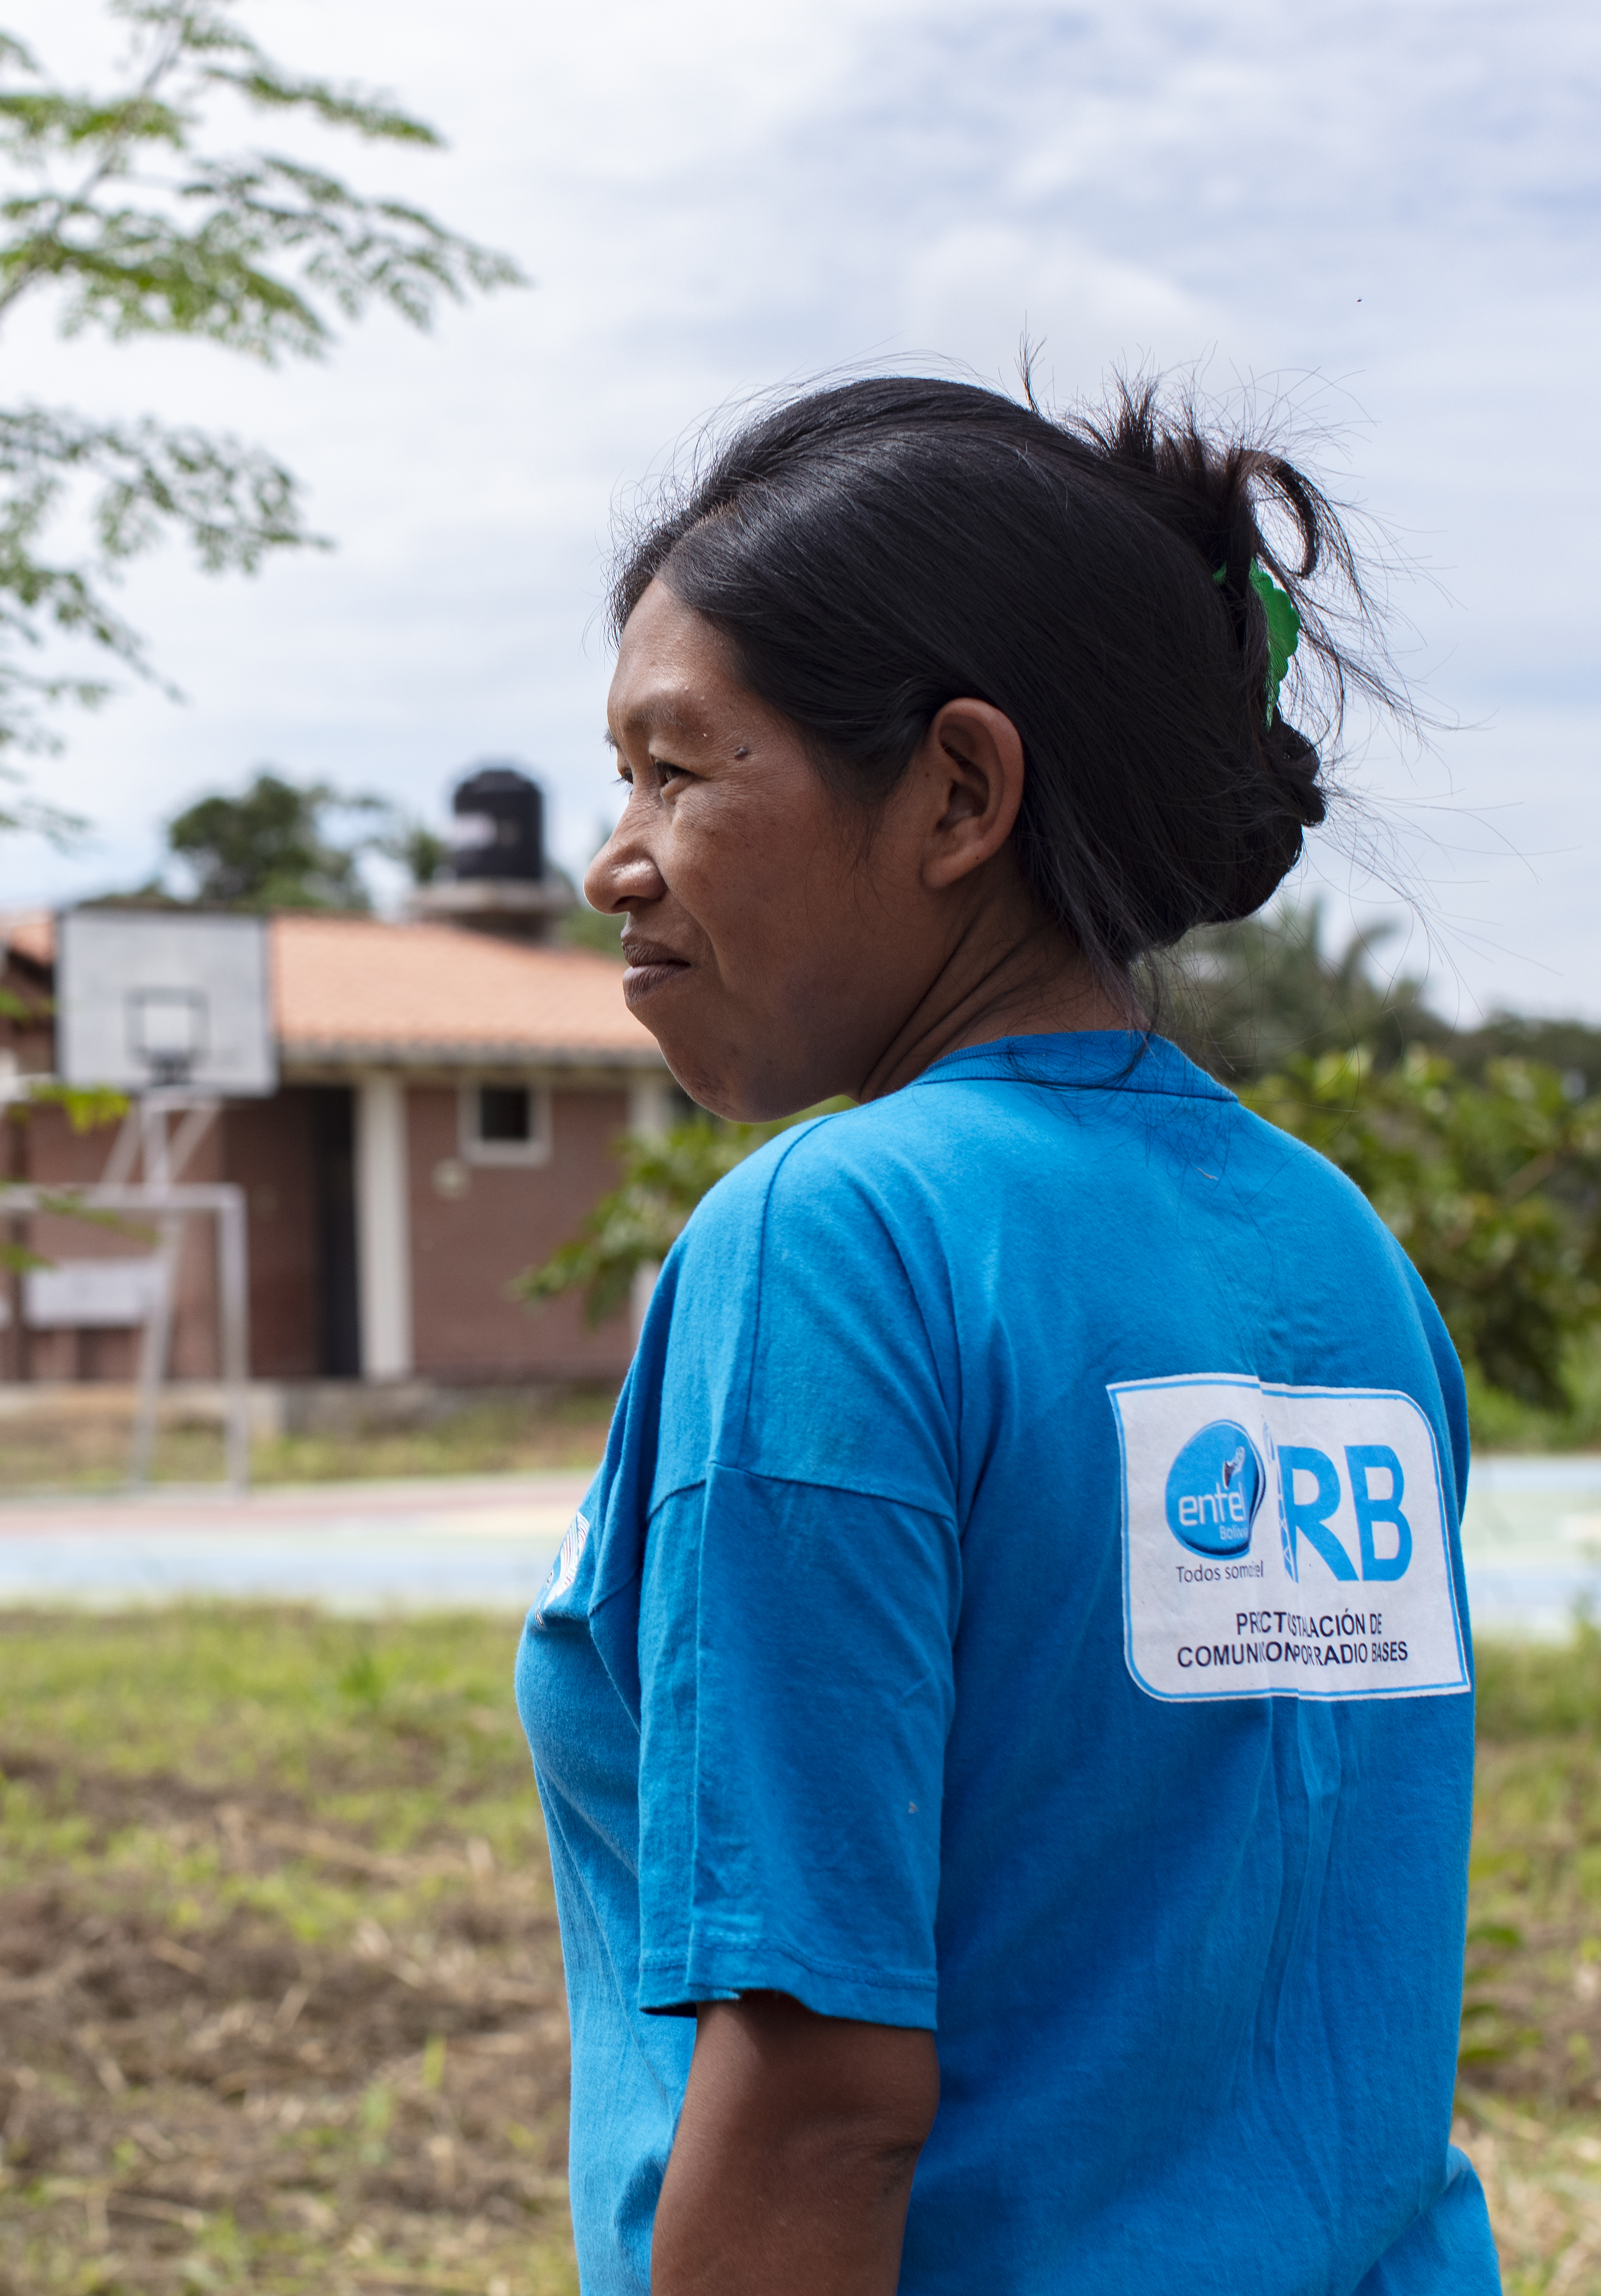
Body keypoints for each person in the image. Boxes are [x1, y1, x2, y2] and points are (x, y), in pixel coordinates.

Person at [523, 375, 1498, 2296]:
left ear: (960, 792)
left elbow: (819, 2091)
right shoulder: (1343, 1251)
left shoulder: (836, 1241)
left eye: (678, 769)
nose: (611, 859)